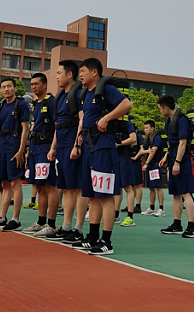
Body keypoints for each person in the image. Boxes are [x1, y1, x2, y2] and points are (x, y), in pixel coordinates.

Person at [72, 58, 132, 255]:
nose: (80, 75)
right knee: (91, 195)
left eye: (83, 71)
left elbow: (126, 104)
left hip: (103, 146)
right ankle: (92, 237)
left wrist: (106, 118)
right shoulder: (86, 94)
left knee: (105, 195)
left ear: (94, 72)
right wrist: (77, 144)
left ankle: (106, 241)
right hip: (88, 147)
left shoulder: (105, 89)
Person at [45, 60, 85, 242]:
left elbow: (82, 121)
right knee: (67, 188)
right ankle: (66, 226)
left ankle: (78, 228)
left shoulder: (78, 94)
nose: (57, 77)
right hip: (61, 146)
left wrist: (77, 145)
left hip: (72, 145)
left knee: (77, 188)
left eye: (59, 73)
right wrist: (53, 147)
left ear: (70, 74)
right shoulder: (60, 96)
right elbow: (58, 125)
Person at [0, 79, 29, 231]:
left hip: (14, 146)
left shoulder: (20, 104)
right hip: (2, 147)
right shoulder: (2, 105)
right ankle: (1, 218)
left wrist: (21, 150)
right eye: (3, 87)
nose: (6, 89)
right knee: (4, 183)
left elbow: (25, 128)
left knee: (15, 182)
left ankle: (16, 219)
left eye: (9, 86)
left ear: (15, 88)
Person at [22, 73, 59, 238]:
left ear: (45, 85)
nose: (34, 87)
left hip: (46, 147)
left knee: (49, 186)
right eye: (32, 84)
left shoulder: (51, 102)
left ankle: (52, 224)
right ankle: (41, 222)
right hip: (35, 148)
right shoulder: (35, 104)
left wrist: (53, 148)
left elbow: (57, 126)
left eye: (37, 83)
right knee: (39, 186)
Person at [157, 95, 194, 238]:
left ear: (166, 108)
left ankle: (191, 227)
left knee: (186, 193)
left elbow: (182, 143)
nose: (160, 111)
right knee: (175, 193)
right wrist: (166, 157)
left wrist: (177, 162)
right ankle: (177, 224)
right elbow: (172, 144)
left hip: (182, 159)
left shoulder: (181, 120)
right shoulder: (170, 121)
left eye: (160, 108)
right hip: (173, 156)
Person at [136, 121, 165, 217]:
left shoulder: (157, 138)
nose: (145, 130)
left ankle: (161, 209)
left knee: (158, 187)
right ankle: (151, 208)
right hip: (150, 166)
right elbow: (143, 150)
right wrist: (139, 155)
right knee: (151, 187)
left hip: (156, 165)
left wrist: (146, 163)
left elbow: (153, 152)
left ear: (152, 128)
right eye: (144, 128)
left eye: (147, 128)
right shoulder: (147, 139)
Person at [114, 118, 138, 227]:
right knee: (117, 188)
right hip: (115, 158)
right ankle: (115, 215)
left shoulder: (126, 123)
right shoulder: (110, 123)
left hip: (124, 157)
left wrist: (119, 143)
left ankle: (130, 216)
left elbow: (133, 138)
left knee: (127, 187)